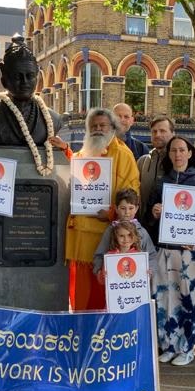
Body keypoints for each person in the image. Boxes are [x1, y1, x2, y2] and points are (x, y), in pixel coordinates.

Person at [145, 136, 195, 366]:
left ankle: (187, 347)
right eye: (174, 150)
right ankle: (169, 344)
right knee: (164, 298)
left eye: (182, 150)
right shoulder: (161, 183)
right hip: (164, 250)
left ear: (190, 153)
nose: (178, 155)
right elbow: (148, 218)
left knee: (187, 299)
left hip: (187, 254)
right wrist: (154, 212)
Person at [64, 108, 140, 310]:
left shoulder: (124, 155)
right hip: (81, 239)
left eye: (102, 125)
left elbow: (132, 193)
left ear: (112, 128)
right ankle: (80, 336)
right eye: (93, 126)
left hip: (109, 238)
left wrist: (112, 213)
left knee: (104, 299)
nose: (98, 130)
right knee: (80, 301)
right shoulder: (81, 155)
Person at [0, 35, 61, 152]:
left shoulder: (54, 119)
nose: (25, 82)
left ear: (37, 78)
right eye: (17, 76)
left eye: (30, 76)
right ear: (4, 80)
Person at [92, 188, 157, 279]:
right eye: (123, 208)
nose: (127, 212)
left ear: (136, 209)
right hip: (115, 283)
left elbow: (152, 255)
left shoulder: (142, 232)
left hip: (137, 283)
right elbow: (99, 255)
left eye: (131, 208)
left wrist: (150, 270)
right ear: (116, 209)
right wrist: (99, 271)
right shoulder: (110, 231)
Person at [137, 115, 175, 224]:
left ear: (173, 134)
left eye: (162, 131)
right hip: (143, 225)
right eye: (154, 131)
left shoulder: (178, 162)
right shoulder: (142, 162)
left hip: (168, 227)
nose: (157, 135)